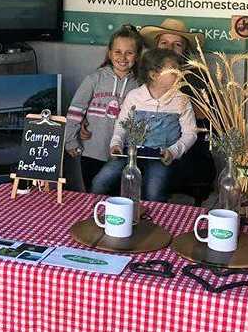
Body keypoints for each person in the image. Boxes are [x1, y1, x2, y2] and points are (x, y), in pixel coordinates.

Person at [90, 48, 196, 202]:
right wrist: (116, 144)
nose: (180, 74)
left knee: (154, 193)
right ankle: (98, 214)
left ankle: (151, 223)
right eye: (173, 71)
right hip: (130, 153)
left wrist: (173, 152)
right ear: (154, 75)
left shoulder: (181, 100)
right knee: (100, 182)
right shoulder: (134, 97)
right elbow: (122, 124)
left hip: (161, 156)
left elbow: (190, 133)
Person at [140, 18, 216, 200]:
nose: (169, 48)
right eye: (164, 43)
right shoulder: (145, 72)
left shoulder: (197, 74)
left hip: (187, 148)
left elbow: (206, 116)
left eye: (177, 44)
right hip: (149, 145)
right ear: (156, 46)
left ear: (185, 50)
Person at [65, 25, 143, 191]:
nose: (123, 57)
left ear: (137, 56)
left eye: (129, 52)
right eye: (117, 51)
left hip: (123, 153)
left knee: (118, 195)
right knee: (93, 192)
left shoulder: (140, 85)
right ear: (109, 53)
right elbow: (76, 109)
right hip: (92, 149)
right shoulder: (95, 78)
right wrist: (70, 140)